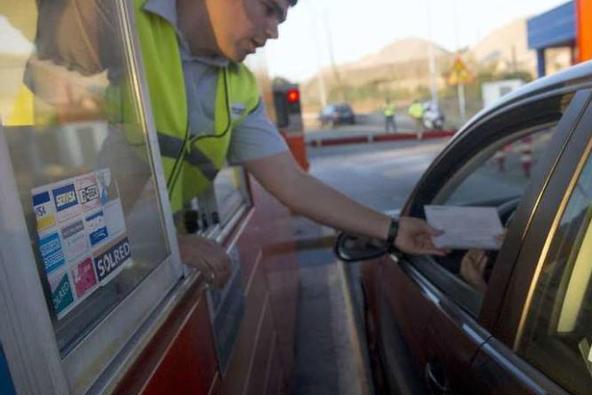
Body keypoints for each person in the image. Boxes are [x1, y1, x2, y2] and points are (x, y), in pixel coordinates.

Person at [31, 0, 444, 288]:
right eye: (268, 9)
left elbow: (294, 185)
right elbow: (57, 185)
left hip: (126, 266)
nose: (273, 32)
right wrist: (164, 245)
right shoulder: (111, 15)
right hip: (52, 264)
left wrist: (393, 230)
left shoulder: (239, 89)